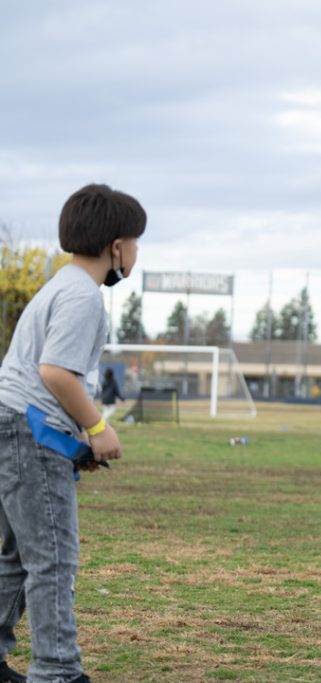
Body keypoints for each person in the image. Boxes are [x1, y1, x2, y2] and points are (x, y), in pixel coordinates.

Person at [0, 183, 145, 683]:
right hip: (27, 431)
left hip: (15, 423)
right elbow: (55, 373)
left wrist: (74, 439)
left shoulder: (60, 286)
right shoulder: (83, 296)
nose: (135, 252)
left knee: (17, 557)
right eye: (135, 241)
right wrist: (98, 428)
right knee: (53, 560)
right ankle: (57, 671)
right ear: (116, 247)